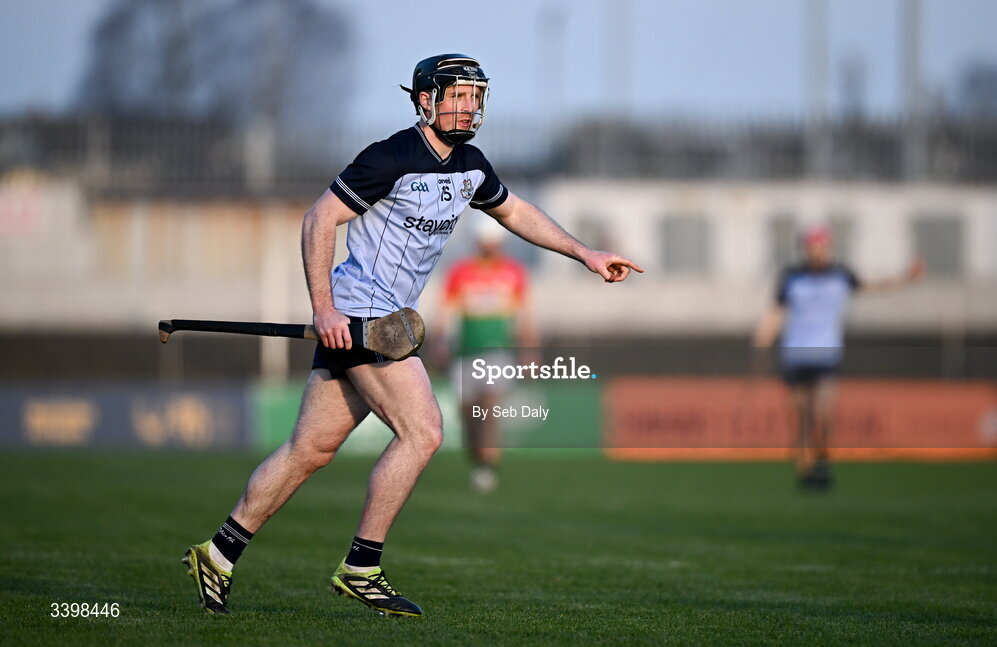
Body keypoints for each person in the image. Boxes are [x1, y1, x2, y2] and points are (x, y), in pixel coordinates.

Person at [181, 53, 643, 617]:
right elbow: (317, 219)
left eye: (477, 96)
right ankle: (361, 567)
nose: (470, 106)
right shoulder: (390, 157)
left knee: (310, 450)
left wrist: (583, 253)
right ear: (426, 100)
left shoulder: (471, 164)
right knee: (423, 432)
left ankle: (220, 552)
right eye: (458, 95)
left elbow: (515, 212)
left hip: (388, 318)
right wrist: (323, 309)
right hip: (361, 316)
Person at [752, 225, 923, 490]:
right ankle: (805, 471)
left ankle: (822, 459)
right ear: (805, 249)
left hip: (826, 355)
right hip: (794, 355)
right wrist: (763, 338)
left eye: (821, 246)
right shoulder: (791, 277)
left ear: (828, 248)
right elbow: (777, 310)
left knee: (822, 413)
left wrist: (906, 278)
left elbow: (876, 285)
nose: (816, 251)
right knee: (800, 418)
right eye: (812, 246)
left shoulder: (841, 275)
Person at [436, 219, 539, 493]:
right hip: (465, 353)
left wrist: (529, 353)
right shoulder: (460, 273)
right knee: (468, 415)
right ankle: (479, 463)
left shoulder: (514, 273)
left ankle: (489, 462)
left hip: (498, 353)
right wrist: (441, 344)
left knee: (489, 407)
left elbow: (524, 318)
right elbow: (446, 314)